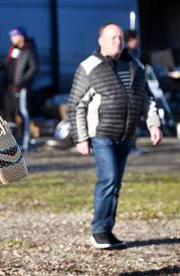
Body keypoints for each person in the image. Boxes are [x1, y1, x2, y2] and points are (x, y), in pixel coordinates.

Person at [68, 23, 162, 249]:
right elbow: (75, 105)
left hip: (127, 135)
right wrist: (80, 138)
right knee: (108, 179)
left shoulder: (135, 65)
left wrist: (154, 124)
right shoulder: (89, 66)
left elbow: (146, 98)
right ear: (100, 40)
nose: (117, 41)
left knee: (115, 184)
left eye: (120, 38)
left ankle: (107, 232)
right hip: (102, 134)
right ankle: (98, 231)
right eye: (112, 38)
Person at [1, 26, 37, 152]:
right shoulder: (13, 50)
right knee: (10, 113)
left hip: (21, 87)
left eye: (14, 35)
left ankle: (25, 141)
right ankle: (12, 141)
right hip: (10, 87)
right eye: (11, 36)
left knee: (23, 112)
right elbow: (8, 66)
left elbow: (33, 67)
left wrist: (23, 81)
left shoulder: (28, 50)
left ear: (21, 36)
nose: (12, 38)